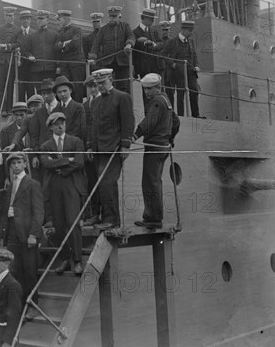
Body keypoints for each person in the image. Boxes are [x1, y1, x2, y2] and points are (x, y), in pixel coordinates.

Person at [0, 152, 44, 320]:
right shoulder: (10, 186)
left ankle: (33, 305)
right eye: (13, 164)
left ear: (25, 164)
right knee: (16, 272)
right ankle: (21, 305)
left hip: (27, 235)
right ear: (10, 167)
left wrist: (33, 234)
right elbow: (5, 212)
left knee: (30, 272)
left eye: (19, 162)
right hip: (12, 235)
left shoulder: (32, 184)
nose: (16, 166)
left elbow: (38, 213)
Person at [86, 69, 134, 229]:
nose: (100, 87)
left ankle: (112, 219)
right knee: (99, 184)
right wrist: (90, 147)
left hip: (114, 149)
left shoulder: (122, 97)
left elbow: (128, 122)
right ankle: (102, 216)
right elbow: (92, 126)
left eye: (103, 83)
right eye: (97, 84)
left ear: (111, 80)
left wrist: (125, 145)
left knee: (107, 183)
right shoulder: (96, 102)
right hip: (99, 150)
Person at [40, 112, 87, 274]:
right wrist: (68, 160)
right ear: (51, 127)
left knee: (73, 223)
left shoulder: (75, 141)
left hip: (71, 185)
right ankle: (65, 258)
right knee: (58, 226)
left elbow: (80, 162)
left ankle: (77, 261)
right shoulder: (46, 146)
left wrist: (60, 167)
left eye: (62, 123)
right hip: (54, 188)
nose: (60, 126)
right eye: (57, 124)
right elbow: (46, 163)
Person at [133, 73, 180, 229]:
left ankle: (153, 218)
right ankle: (154, 216)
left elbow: (149, 121)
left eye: (150, 89)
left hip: (154, 147)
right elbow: (176, 122)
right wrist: (170, 138)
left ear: (158, 87)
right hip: (163, 147)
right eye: (145, 89)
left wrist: (135, 134)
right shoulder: (166, 99)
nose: (146, 92)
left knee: (149, 182)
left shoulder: (157, 101)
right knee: (155, 181)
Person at [89, 6, 135, 94]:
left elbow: (131, 36)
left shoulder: (125, 26)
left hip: (122, 61)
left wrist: (129, 44)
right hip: (107, 62)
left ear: (119, 16)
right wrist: (93, 55)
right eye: (111, 16)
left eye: (114, 16)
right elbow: (96, 43)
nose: (112, 19)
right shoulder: (103, 29)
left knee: (124, 85)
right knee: (107, 85)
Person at [162, 20, 203, 118]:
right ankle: (181, 116)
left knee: (194, 90)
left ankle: (195, 114)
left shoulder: (191, 42)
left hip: (191, 71)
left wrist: (196, 65)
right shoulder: (172, 42)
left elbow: (194, 55)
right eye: (190, 30)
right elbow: (164, 54)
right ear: (184, 30)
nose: (191, 32)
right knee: (180, 94)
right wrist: (173, 64)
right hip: (178, 71)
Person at [133, 9, 165, 105]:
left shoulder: (154, 31)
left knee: (159, 91)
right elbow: (134, 51)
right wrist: (139, 42)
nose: (152, 21)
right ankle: (149, 115)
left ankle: (159, 114)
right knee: (147, 93)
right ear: (145, 18)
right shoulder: (135, 32)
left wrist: (154, 45)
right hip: (144, 68)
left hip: (156, 66)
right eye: (151, 19)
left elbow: (161, 44)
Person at [82, 76, 102, 226]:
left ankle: (105, 214)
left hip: (102, 149)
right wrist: (87, 146)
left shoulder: (104, 101)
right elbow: (86, 127)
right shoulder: (85, 105)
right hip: (89, 150)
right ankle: (94, 213)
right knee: (91, 182)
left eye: (95, 86)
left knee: (104, 183)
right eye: (90, 87)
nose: (93, 89)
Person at [56, 9, 87, 102]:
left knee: (78, 88)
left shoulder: (77, 30)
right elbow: (56, 46)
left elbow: (75, 43)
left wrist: (63, 47)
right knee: (66, 86)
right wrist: (65, 43)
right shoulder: (59, 32)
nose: (59, 21)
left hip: (76, 63)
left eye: (60, 19)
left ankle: (78, 109)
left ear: (65, 19)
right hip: (65, 65)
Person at [25, 10, 60, 83]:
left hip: (51, 69)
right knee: (39, 91)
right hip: (36, 69)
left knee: (51, 90)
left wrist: (58, 66)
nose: (39, 21)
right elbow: (27, 50)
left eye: (41, 19)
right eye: (38, 19)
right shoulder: (32, 36)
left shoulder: (54, 34)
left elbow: (58, 52)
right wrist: (30, 56)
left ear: (47, 20)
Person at [52, 75, 86, 141]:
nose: (62, 94)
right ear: (56, 94)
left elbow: (79, 130)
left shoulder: (78, 107)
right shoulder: (55, 110)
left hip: (74, 144)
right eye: (59, 92)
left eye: (65, 91)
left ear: (70, 90)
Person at [17, 10, 36, 101]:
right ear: (20, 20)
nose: (25, 21)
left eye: (27, 19)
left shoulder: (34, 33)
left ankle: (31, 111)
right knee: (20, 91)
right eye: (23, 19)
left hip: (31, 66)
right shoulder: (16, 33)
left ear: (30, 20)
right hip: (19, 67)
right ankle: (21, 111)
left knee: (31, 90)